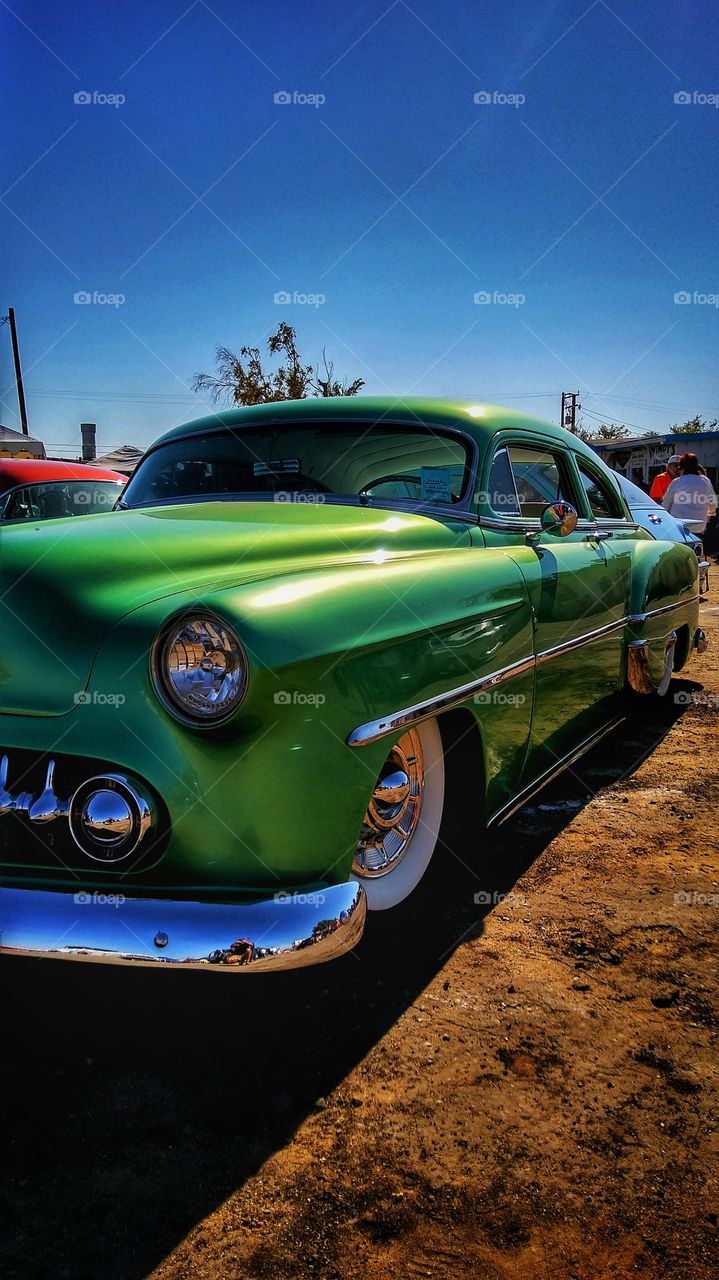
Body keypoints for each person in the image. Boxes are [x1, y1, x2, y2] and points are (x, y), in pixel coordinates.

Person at [662, 452, 718, 533]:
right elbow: (713, 504)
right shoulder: (705, 481)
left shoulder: (677, 482)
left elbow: (665, 505)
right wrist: (707, 518)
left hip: (679, 528)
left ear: (681, 468)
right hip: (699, 528)